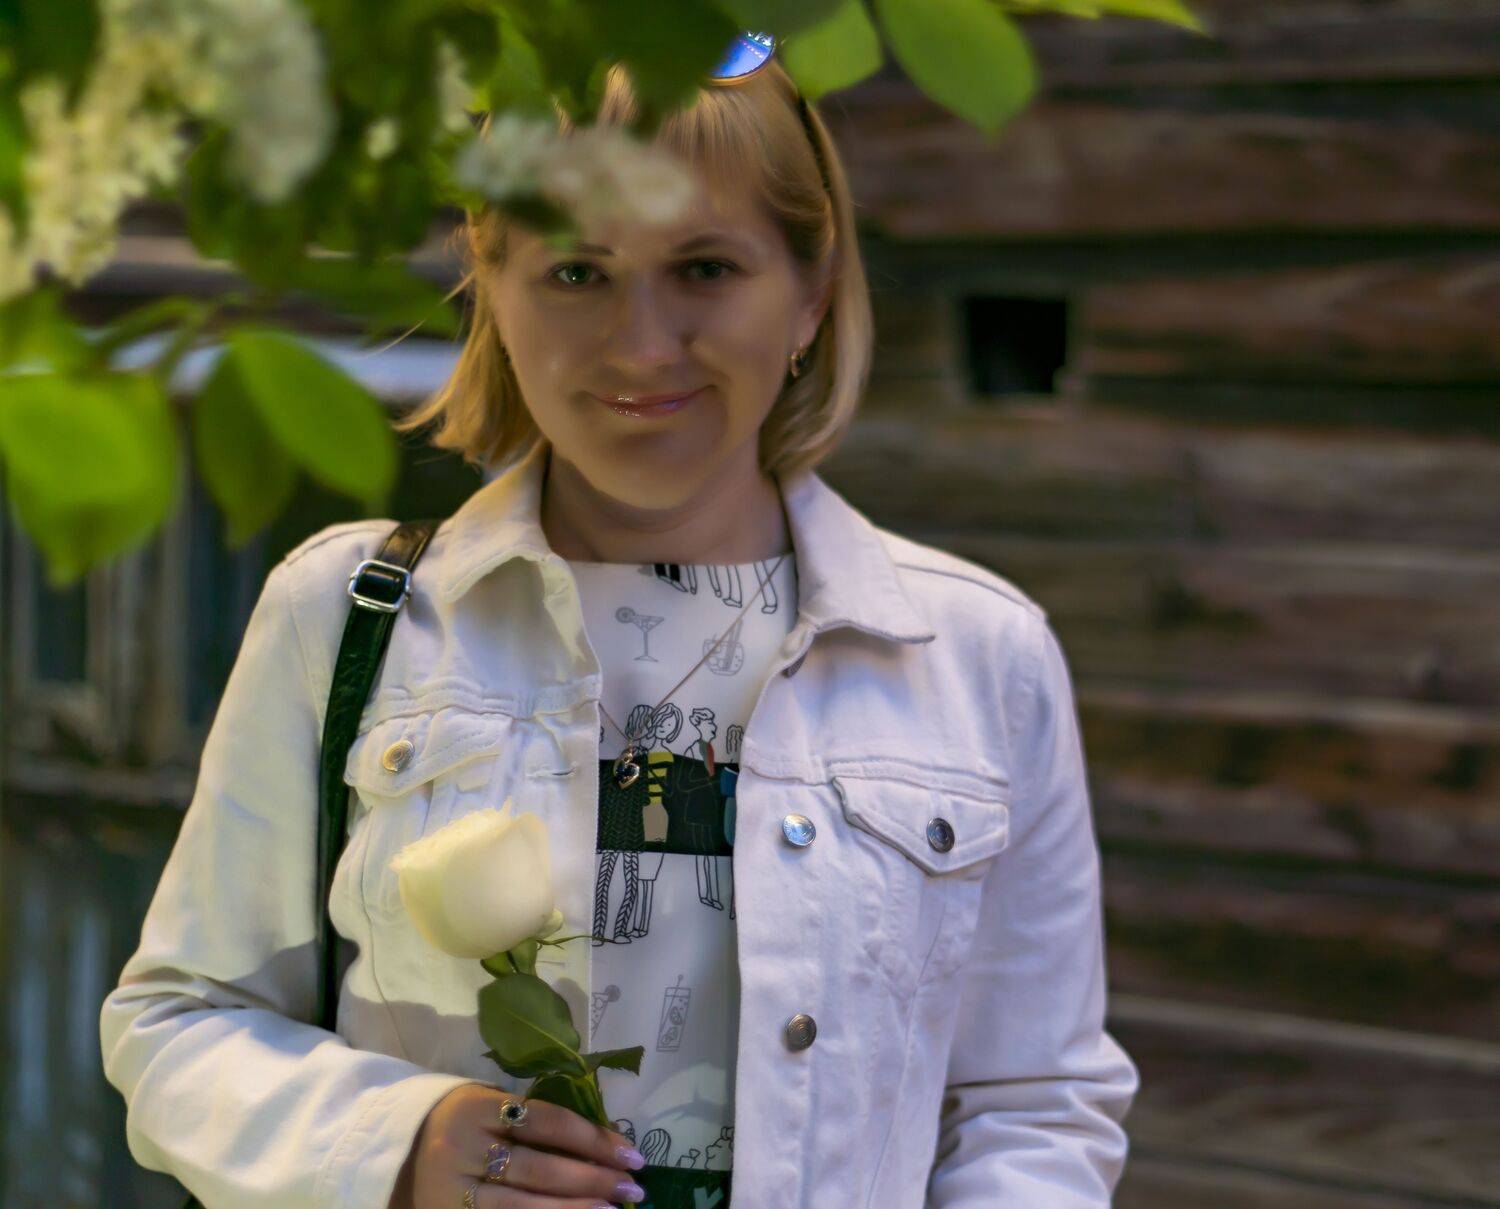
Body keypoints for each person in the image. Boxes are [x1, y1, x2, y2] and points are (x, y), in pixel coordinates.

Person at [100, 47, 1139, 1209]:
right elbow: (177, 1024)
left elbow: (1034, 1105)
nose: (642, 344)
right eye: (577, 272)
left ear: (810, 290)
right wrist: (393, 1146)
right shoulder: (349, 615)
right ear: (493, 284)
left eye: (704, 268)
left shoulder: (978, 655)